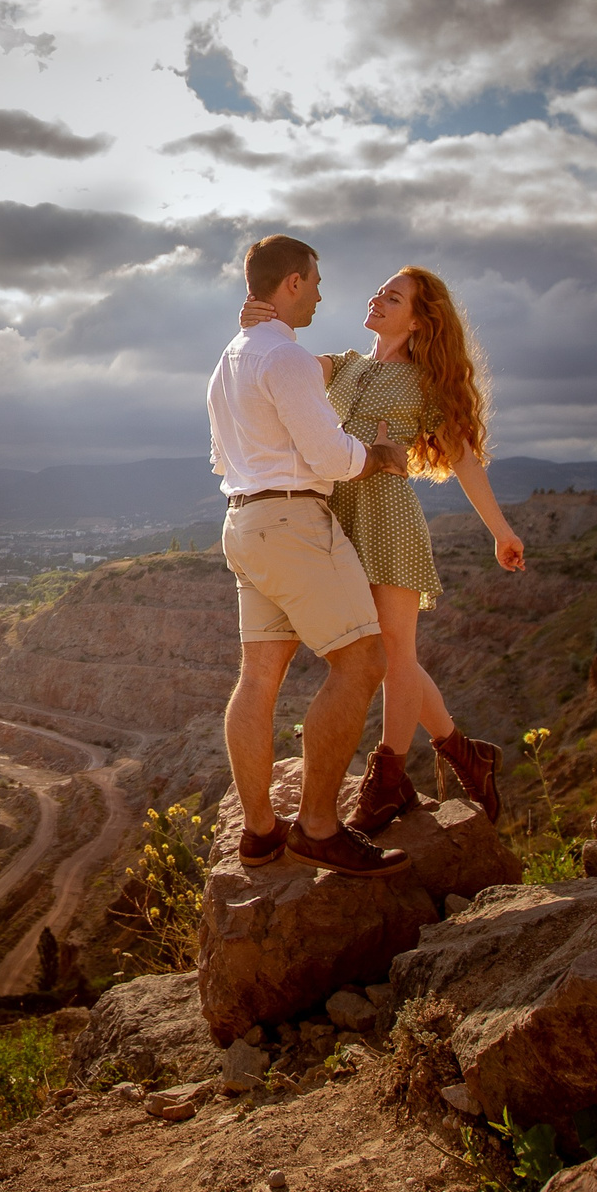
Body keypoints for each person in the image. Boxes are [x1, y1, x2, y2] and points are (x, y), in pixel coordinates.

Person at [241, 266, 524, 833]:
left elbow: (464, 458)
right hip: (332, 519)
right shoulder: (344, 365)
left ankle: (389, 780)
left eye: (392, 297)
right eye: (378, 291)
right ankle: (464, 753)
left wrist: (500, 531)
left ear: (419, 319)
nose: (377, 299)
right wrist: (253, 321)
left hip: (389, 520)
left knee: (395, 653)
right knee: (372, 655)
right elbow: (281, 361)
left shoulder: (426, 383)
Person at [206, 234, 414, 877]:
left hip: (242, 520)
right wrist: (376, 457)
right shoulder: (287, 359)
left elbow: (220, 456)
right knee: (362, 662)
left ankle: (260, 832)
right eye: (315, 282)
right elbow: (328, 456)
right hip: (294, 521)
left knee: (258, 677)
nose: (322, 294)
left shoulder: (230, 357)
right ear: (291, 282)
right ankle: (320, 827)